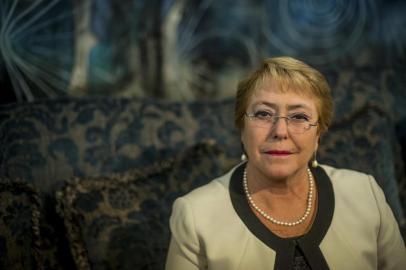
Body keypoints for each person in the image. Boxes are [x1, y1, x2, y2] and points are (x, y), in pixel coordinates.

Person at [165, 57, 406, 269]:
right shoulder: (195, 215)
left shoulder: (366, 194)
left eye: (299, 117)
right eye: (263, 114)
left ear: (318, 134)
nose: (280, 131)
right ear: (242, 129)